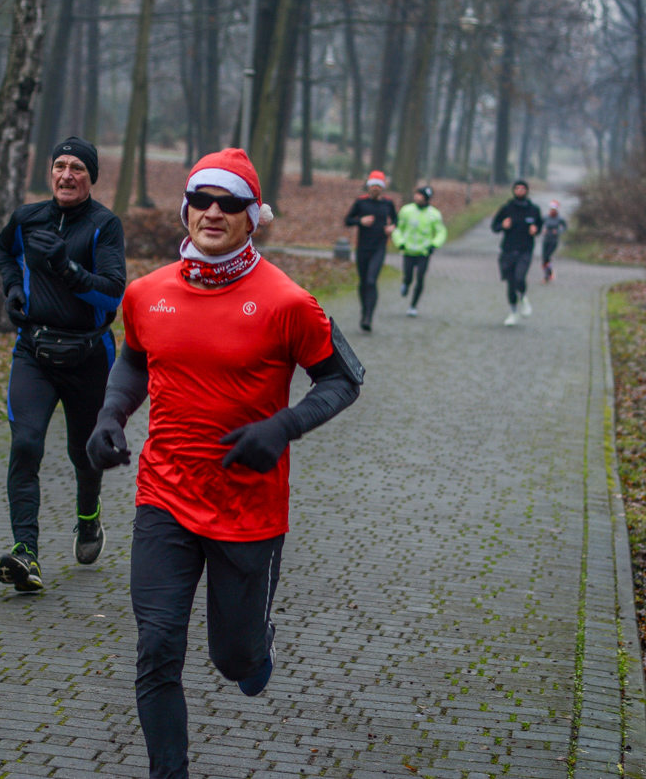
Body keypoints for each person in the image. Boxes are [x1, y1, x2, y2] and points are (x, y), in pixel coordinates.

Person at [86, 148, 362, 779]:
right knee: (157, 648)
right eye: (202, 200)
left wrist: (282, 427)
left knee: (233, 661)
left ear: (252, 217)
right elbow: (134, 361)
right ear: (186, 209)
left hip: (248, 508)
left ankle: (254, 647)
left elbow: (343, 379)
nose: (213, 212)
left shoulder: (289, 301)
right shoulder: (146, 292)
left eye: (229, 203)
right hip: (164, 496)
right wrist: (109, 416)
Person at [0, 137, 126, 593]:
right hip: (34, 351)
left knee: (84, 453)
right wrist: (13, 289)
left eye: (77, 168)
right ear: (50, 172)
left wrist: (66, 268)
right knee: (26, 443)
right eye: (59, 166)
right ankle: (25, 552)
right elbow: (5, 252)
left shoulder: (104, 225)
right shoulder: (26, 218)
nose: (67, 175)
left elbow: (112, 293)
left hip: (88, 355)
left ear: (91, 177)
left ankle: (88, 519)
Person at [344, 170, 397, 332]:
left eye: (378, 186)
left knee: (371, 281)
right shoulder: (361, 202)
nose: (375, 188)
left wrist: (392, 227)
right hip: (362, 247)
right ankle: (364, 310)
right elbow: (347, 220)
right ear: (369, 186)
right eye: (373, 185)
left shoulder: (388, 203)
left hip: (379, 247)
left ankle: (368, 317)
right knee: (363, 282)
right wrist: (361, 220)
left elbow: (396, 219)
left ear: (382, 188)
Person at [490, 180, 542, 326]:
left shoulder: (533, 209)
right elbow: (494, 226)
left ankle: (524, 298)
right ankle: (513, 312)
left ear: (527, 191)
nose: (520, 191)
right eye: (517, 188)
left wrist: (535, 230)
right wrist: (503, 225)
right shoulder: (507, 208)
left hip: (525, 250)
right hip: (507, 250)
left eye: (522, 188)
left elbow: (539, 224)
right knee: (510, 283)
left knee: (520, 277)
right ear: (513, 191)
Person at [392, 186, 447, 316]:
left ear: (426, 198)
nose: (417, 197)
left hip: (424, 251)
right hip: (408, 250)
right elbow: (398, 228)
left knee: (421, 277)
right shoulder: (406, 211)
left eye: (420, 195)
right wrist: (400, 242)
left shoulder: (434, 214)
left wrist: (434, 245)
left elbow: (441, 232)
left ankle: (413, 306)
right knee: (409, 276)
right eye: (416, 194)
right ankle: (405, 283)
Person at [540, 200, 567, 283]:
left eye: (554, 210)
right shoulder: (546, 217)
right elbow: (539, 224)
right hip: (546, 239)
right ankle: (549, 273)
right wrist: (543, 229)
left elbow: (565, 227)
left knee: (547, 257)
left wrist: (558, 231)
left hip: (554, 240)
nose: (552, 212)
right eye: (551, 210)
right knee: (544, 259)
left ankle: (547, 276)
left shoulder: (560, 219)